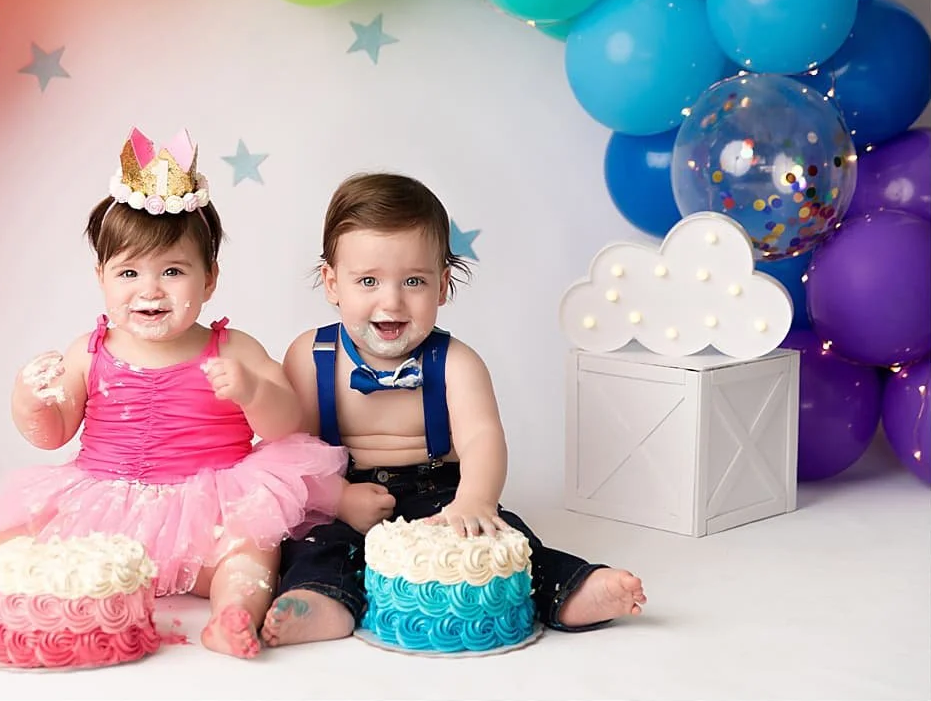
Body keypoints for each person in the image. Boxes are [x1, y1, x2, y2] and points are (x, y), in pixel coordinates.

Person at [0, 130, 371, 659]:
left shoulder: (231, 347)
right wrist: (31, 401)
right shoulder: (89, 351)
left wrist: (253, 390)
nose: (150, 289)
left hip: (210, 506)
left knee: (251, 551)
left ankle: (233, 614)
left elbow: (286, 424)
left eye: (172, 271)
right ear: (100, 277)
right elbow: (53, 434)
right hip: (105, 508)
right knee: (19, 547)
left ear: (210, 279)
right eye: (128, 272)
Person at [262, 173, 646, 649]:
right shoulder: (310, 355)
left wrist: (475, 501)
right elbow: (293, 452)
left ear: (443, 286)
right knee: (317, 546)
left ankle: (571, 588)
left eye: (413, 281)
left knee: (508, 543)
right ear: (331, 283)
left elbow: (482, 439)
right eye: (368, 281)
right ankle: (318, 600)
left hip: (437, 489)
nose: (392, 300)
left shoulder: (457, 363)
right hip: (341, 489)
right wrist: (338, 498)